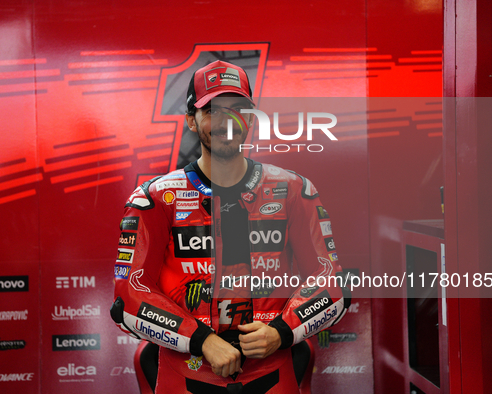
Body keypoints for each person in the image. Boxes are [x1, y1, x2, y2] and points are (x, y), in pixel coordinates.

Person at [111, 60, 350, 393]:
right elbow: (128, 294)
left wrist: (280, 331)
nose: (227, 121)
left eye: (238, 110)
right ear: (191, 121)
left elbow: (332, 282)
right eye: (212, 110)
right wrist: (202, 340)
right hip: (187, 371)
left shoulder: (294, 190)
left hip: (272, 366)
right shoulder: (156, 198)